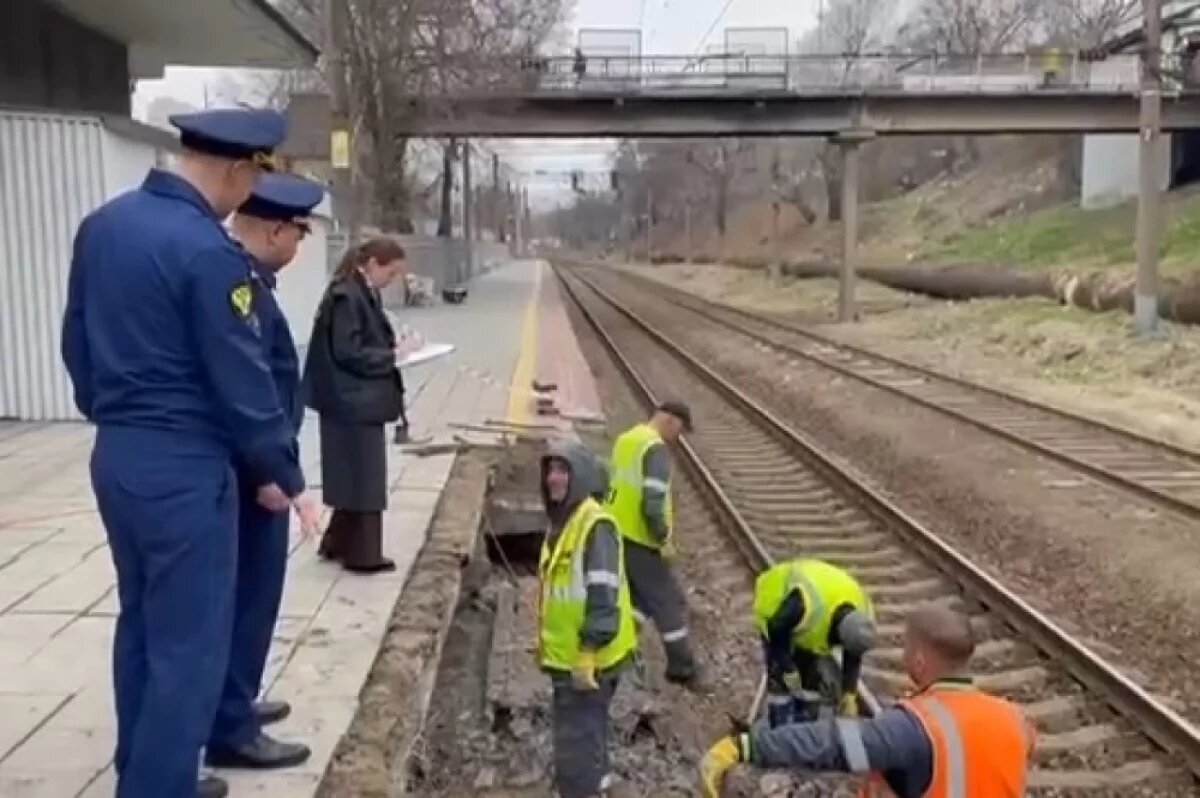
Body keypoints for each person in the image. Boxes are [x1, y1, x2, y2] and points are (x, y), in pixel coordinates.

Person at [60, 108, 323, 798]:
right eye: (253, 177)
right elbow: (239, 378)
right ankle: (159, 787)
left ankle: (145, 770)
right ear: (238, 170)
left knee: (142, 627)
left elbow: (77, 345)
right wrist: (289, 476)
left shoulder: (103, 227)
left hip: (118, 457)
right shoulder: (207, 252)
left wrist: (117, 416)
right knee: (191, 645)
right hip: (184, 470)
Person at [205, 172, 326, 771]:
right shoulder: (241, 288)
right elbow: (246, 392)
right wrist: (270, 473)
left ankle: (236, 700)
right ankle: (231, 725)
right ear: (276, 228)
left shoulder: (251, 282)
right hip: (255, 473)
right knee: (250, 597)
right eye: (300, 233)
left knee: (251, 595)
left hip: (257, 463)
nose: (300, 246)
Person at [699, 602, 1036, 798]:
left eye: (906, 647)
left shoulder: (912, 727)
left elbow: (828, 743)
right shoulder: (1015, 718)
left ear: (918, 660)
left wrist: (745, 746)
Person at [538, 439, 639, 798]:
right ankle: (599, 783)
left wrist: (587, 650)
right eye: (550, 469)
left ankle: (582, 788)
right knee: (588, 731)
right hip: (575, 657)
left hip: (587, 660)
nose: (553, 478)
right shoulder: (568, 523)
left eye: (563, 470)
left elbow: (602, 594)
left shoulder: (594, 526)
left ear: (580, 477)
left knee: (574, 746)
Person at [303, 237, 408, 574]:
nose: (390, 281)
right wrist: (390, 357)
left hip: (346, 398)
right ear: (373, 264)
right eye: (389, 273)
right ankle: (363, 555)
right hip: (351, 398)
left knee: (352, 474)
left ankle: (337, 543)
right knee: (365, 476)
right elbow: (349, 351)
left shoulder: (354, 291)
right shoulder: (348, 296)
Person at [605, 400, 705, 689]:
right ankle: (682, 668)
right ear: (671, 422)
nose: (678, 438)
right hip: (641, 538)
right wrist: (662, 539)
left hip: (616, 532)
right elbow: (652, 504)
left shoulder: (627, 439)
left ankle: (618, 651)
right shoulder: (655, 449)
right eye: (681, 431)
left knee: (637, 599)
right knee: (668, 602)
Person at [752, 558, 877, 727]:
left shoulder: (862, 615)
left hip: (807, 619)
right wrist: (787, 666)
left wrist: (849, 693)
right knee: (781, 680)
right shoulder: (806, 604)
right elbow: (776, 627)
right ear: (837, 632)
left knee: (810, 675)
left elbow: (853, 653)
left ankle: (805, 724)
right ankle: (779, 726)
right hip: (776, 607)